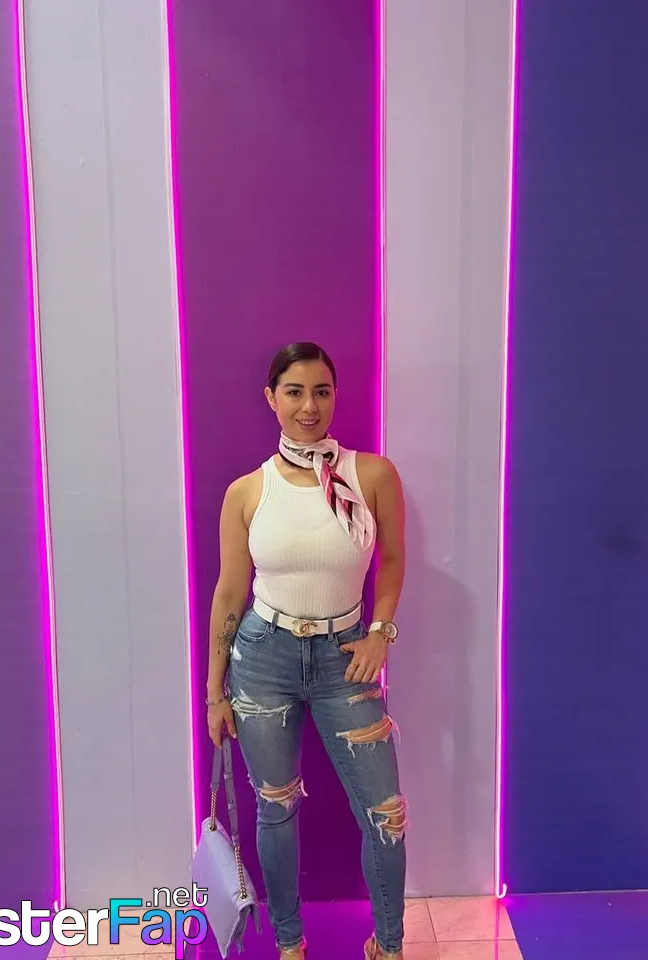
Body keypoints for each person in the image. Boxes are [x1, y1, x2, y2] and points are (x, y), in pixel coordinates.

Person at [205, 341, 407, 959]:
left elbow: (393, 560)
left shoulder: (371, 476)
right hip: (262, 658)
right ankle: (290, 945)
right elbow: (230, 591)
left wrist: (381, 632)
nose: (309, 406)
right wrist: (214, 692)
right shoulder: (248, 491)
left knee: (385, 813)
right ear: (272, 399)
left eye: (321, 391)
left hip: (347, 657)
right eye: (294, 392)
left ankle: (389, 947)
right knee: (276, 809)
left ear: (335, 396)